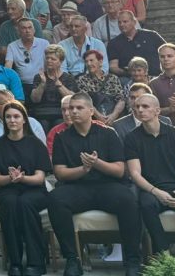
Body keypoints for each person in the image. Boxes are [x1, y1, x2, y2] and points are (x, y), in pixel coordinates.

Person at [46, 92, 141, 276]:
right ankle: (72, 259)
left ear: (91, 111)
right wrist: (83, 169)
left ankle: (132, 261)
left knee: (129, 199)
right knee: (56, 199)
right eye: (71, 108)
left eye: (79, 108)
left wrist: (97, 163)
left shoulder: (108, 133)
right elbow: (60, 173)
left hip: (107, 186)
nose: (73, 111)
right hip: (76, 187)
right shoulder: (62, 137)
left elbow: (120, 170)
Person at [0, 101, 51, 276]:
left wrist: (22, 178)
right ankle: (15, 262)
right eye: (8, 117)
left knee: (25, 203)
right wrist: (11, 178)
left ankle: (36, 262)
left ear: (24, 120)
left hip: (34, 190)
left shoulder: (36, 144)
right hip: (8, 189)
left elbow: (40, 178)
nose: (12, 120)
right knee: (9, 204)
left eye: (16, 116)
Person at [125, 93, 175, 256]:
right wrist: (156, 192)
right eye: (137, 107)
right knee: (146, 205)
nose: (139, 110)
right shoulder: (131, 138)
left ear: (157, 111)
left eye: (145, 106)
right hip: (151, 190)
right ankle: (164, 255)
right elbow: (135, 174)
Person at [76, 50, 126, 123]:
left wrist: (113, 115)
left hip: (114, 117)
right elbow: (85, 101)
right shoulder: (82, 80)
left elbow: (121, 99)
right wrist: (99, 117)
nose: (89, 64)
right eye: (86, 61)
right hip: (93, 118)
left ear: (100, 62)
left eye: (91, 60)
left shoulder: (113, 78)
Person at [152, 43, 175, 127]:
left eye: (170, 56)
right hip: (165, 129)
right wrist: (169, 109)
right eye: (162, 56)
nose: (166, 59)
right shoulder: (154, 83)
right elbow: (151, 110)